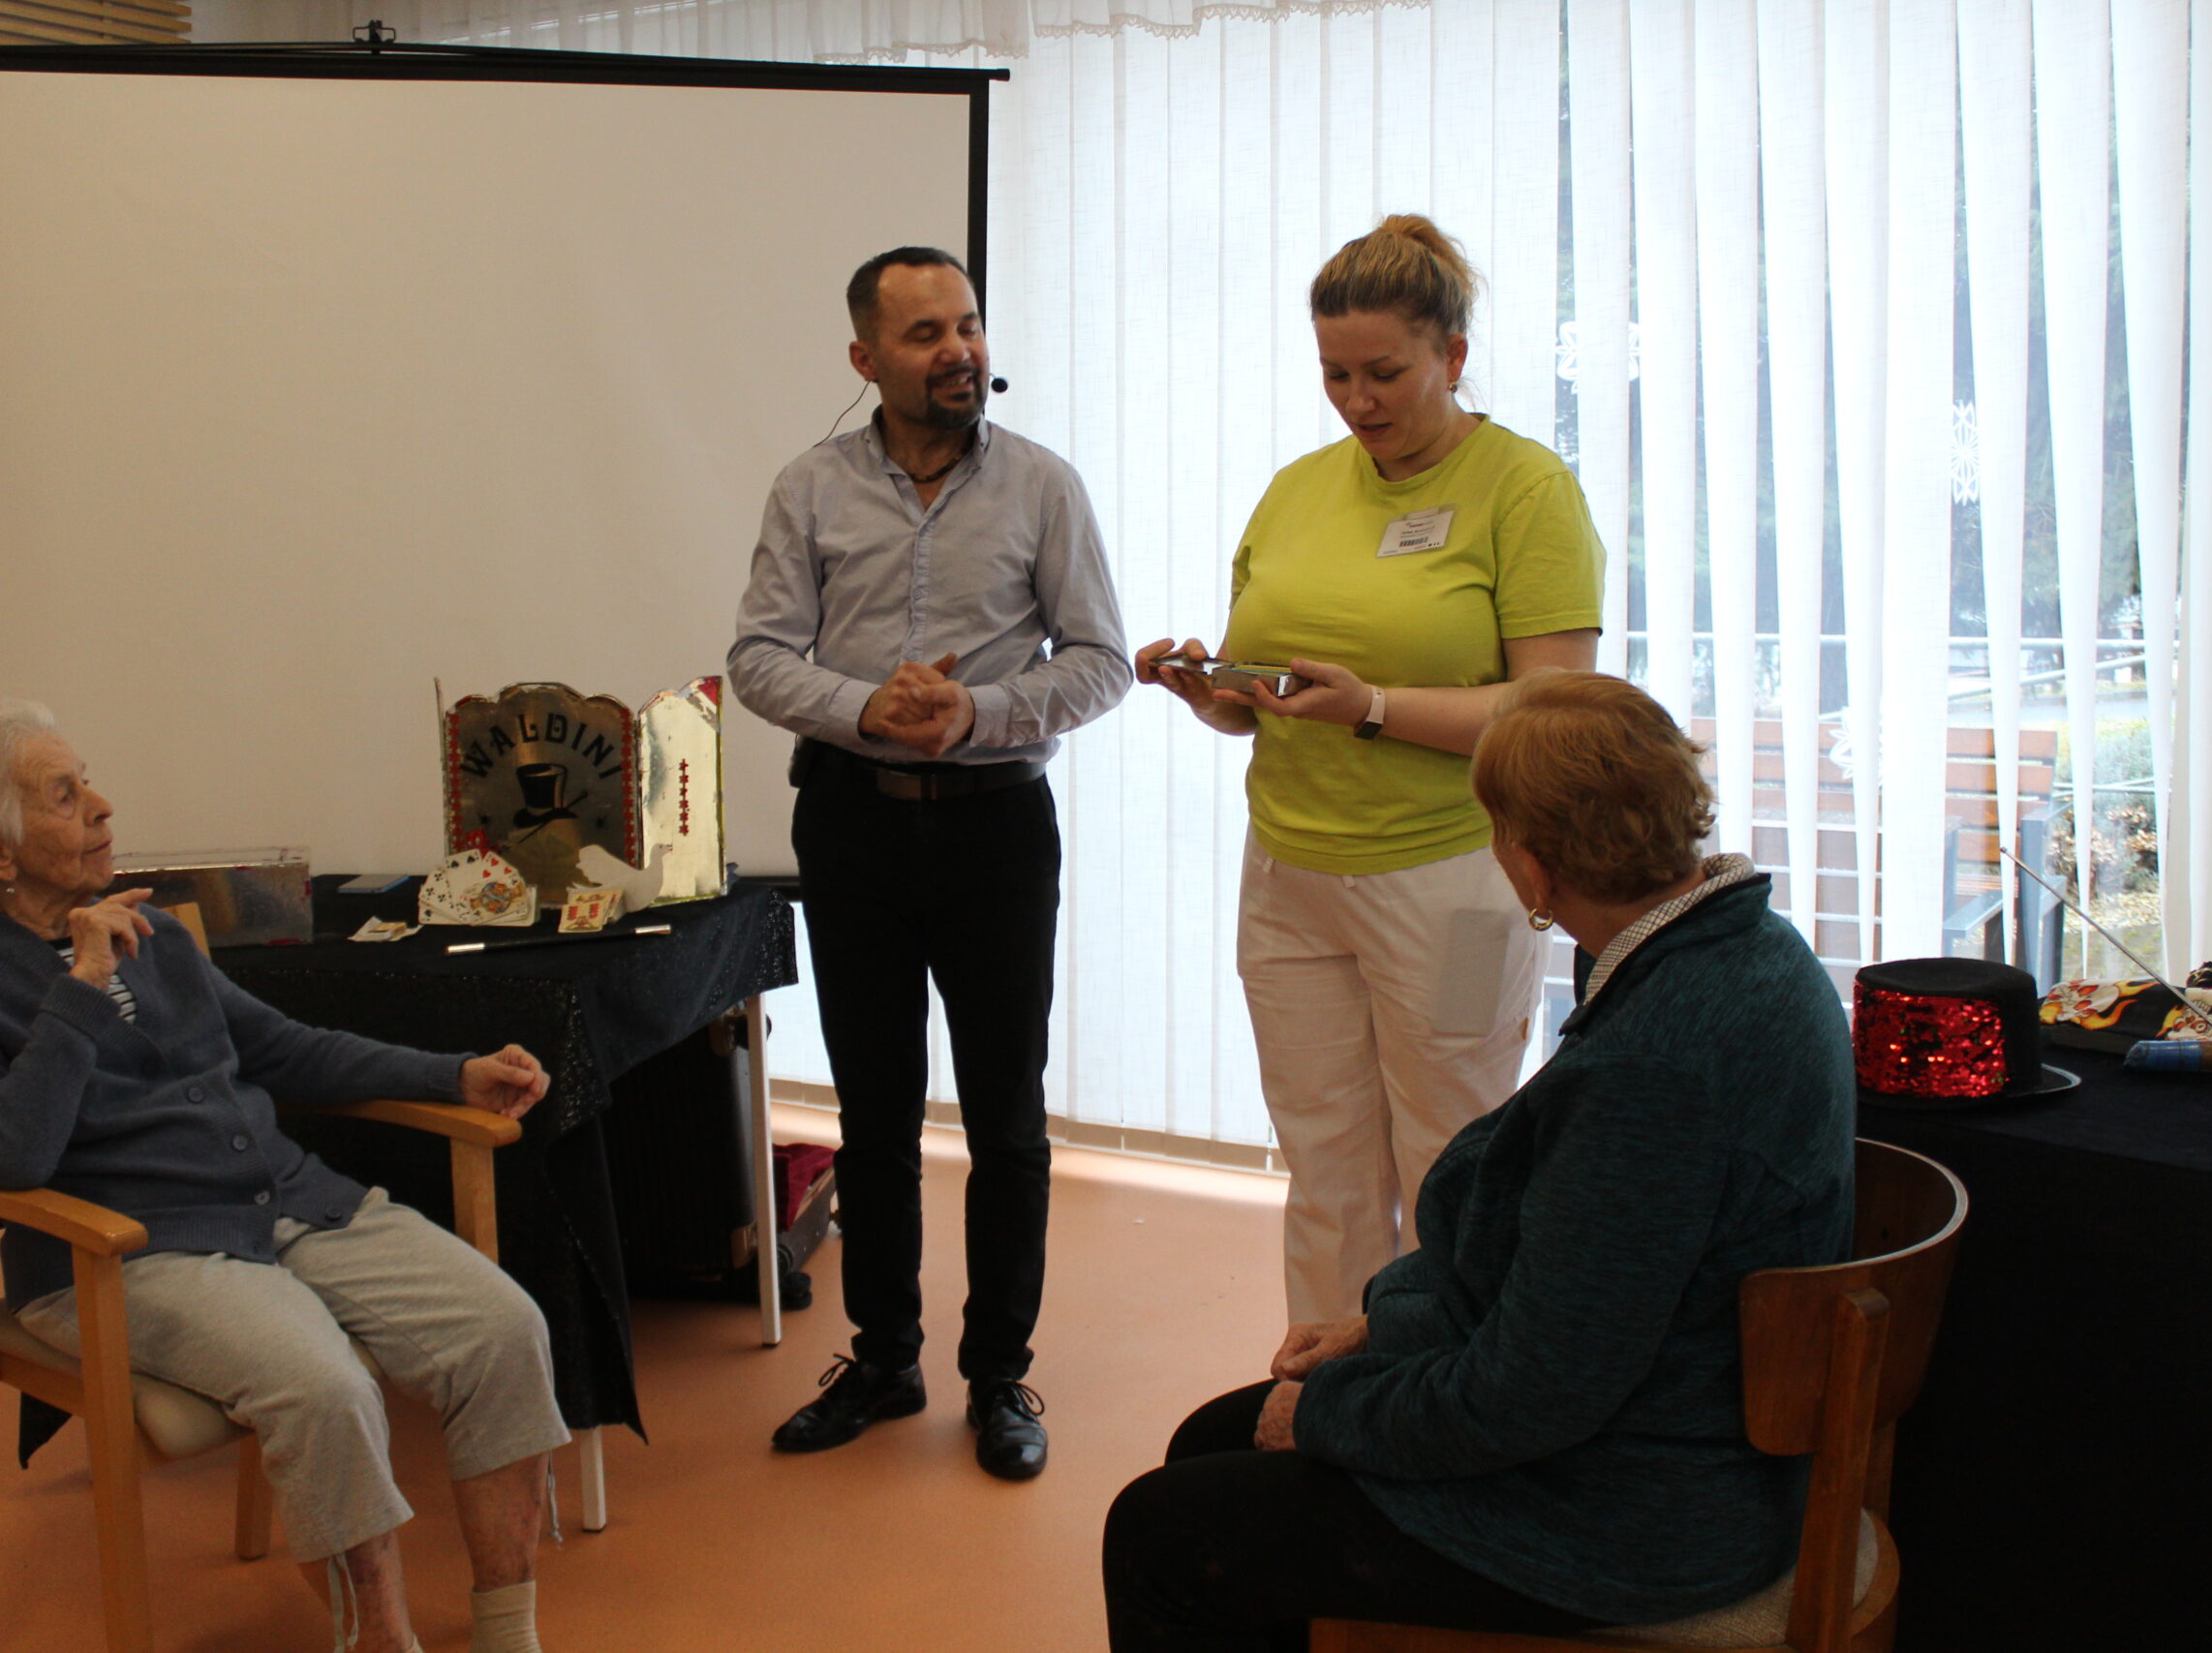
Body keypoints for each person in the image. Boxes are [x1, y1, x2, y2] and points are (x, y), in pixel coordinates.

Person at [1100, 671, 1857, 1652]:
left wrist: (1326, 1415)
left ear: (1532, 868)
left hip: (1636, 1515)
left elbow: (1534, 1396)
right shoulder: (1755, 945)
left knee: (1161, 1535)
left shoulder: (1650, 1071)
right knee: (1211, 1444)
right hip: (1675, 1437)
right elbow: (1578, 1281)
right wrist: (1383, 1327)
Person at [0, 702, 572, 1653]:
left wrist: (449, 1073)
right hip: (123, 1254)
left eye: (86, 780)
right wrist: (80, 985)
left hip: (285, 1204)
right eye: (65, 795)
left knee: (503, 1328)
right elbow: (8, 1154)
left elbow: (282, 1049)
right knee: (326, 1391)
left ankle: (508, 1631)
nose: (101, 805)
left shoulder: (158, 936)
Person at [1135, 214, 1605, 1325]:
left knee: (1454, 1156)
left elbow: (1551, 707)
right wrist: (1214, 693)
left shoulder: (1525, 489)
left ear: (1452, 353)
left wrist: (1375, 709)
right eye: (1335, 373)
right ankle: (1329, 1390)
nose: (1357, 399)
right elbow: (1261, 706)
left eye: (1384, 372)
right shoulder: (1298, 489)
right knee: (1324, 1160)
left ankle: (1453, 1391)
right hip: (1289, 879)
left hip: (1459, 882)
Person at [729, 246, 1129, 1480]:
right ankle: (885, 1359)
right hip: (850, 823)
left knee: (1005, 1118)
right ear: (865, 358)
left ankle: (998, 1375)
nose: (958, 350)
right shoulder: (808, 487)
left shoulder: (1043, 486)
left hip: (996, 826)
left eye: (967, 325)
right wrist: (866, 707)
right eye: (924, 334)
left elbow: (1101, 662)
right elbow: (757, 656)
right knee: (875, 1111)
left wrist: (977, 714)